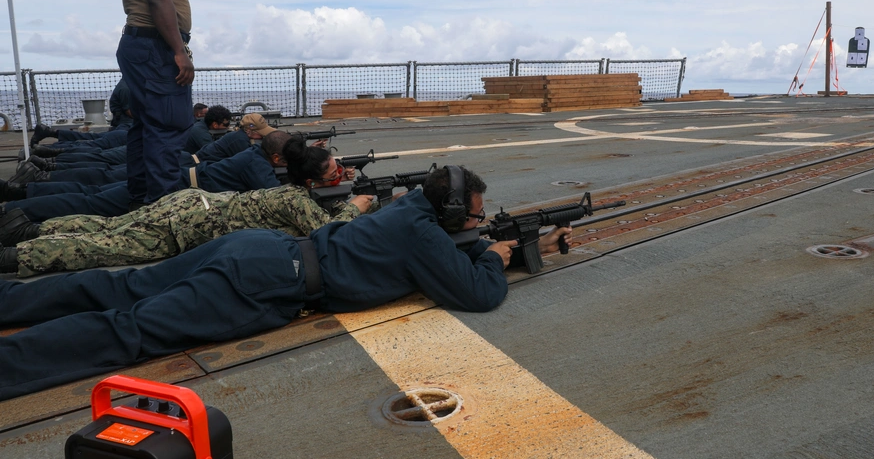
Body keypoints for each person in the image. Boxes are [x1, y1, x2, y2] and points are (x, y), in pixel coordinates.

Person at [0, 165, 570, 400]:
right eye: (469, 216)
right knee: (129, 331)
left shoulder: (407, 213)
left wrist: (506, 243)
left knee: (118, 289)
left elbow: (436, 251)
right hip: (267, 285)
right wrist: (497, 254)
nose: (473, 223)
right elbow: (480, 295)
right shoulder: (425, 236)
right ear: (447, 213)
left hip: (257, 248)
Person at [0, 138, 373, 277]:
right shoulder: (295, 200)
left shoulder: (286, 189)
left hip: (189, 203)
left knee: (107, 225)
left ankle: (28, 228)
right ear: (311, 181)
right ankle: (17, 255)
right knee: (105, 247)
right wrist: (355, 206)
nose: (338, 173)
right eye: (332, 170)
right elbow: (327, 232)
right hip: (187, 225)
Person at [1, 130, 293, 222]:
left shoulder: (253, 155)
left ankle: (19, 195)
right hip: (171, 186)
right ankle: (16, 206)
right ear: (277, 159)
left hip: (172, 178)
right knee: (92, 201)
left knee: (93, 192)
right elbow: (277, 197)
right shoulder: (256, 165)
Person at [116, 0, 195, 211]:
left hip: (144, 47)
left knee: (147, 128)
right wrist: (179, 51)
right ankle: (164, 214)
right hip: (155, 48)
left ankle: (141, 203)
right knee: (166, 128)